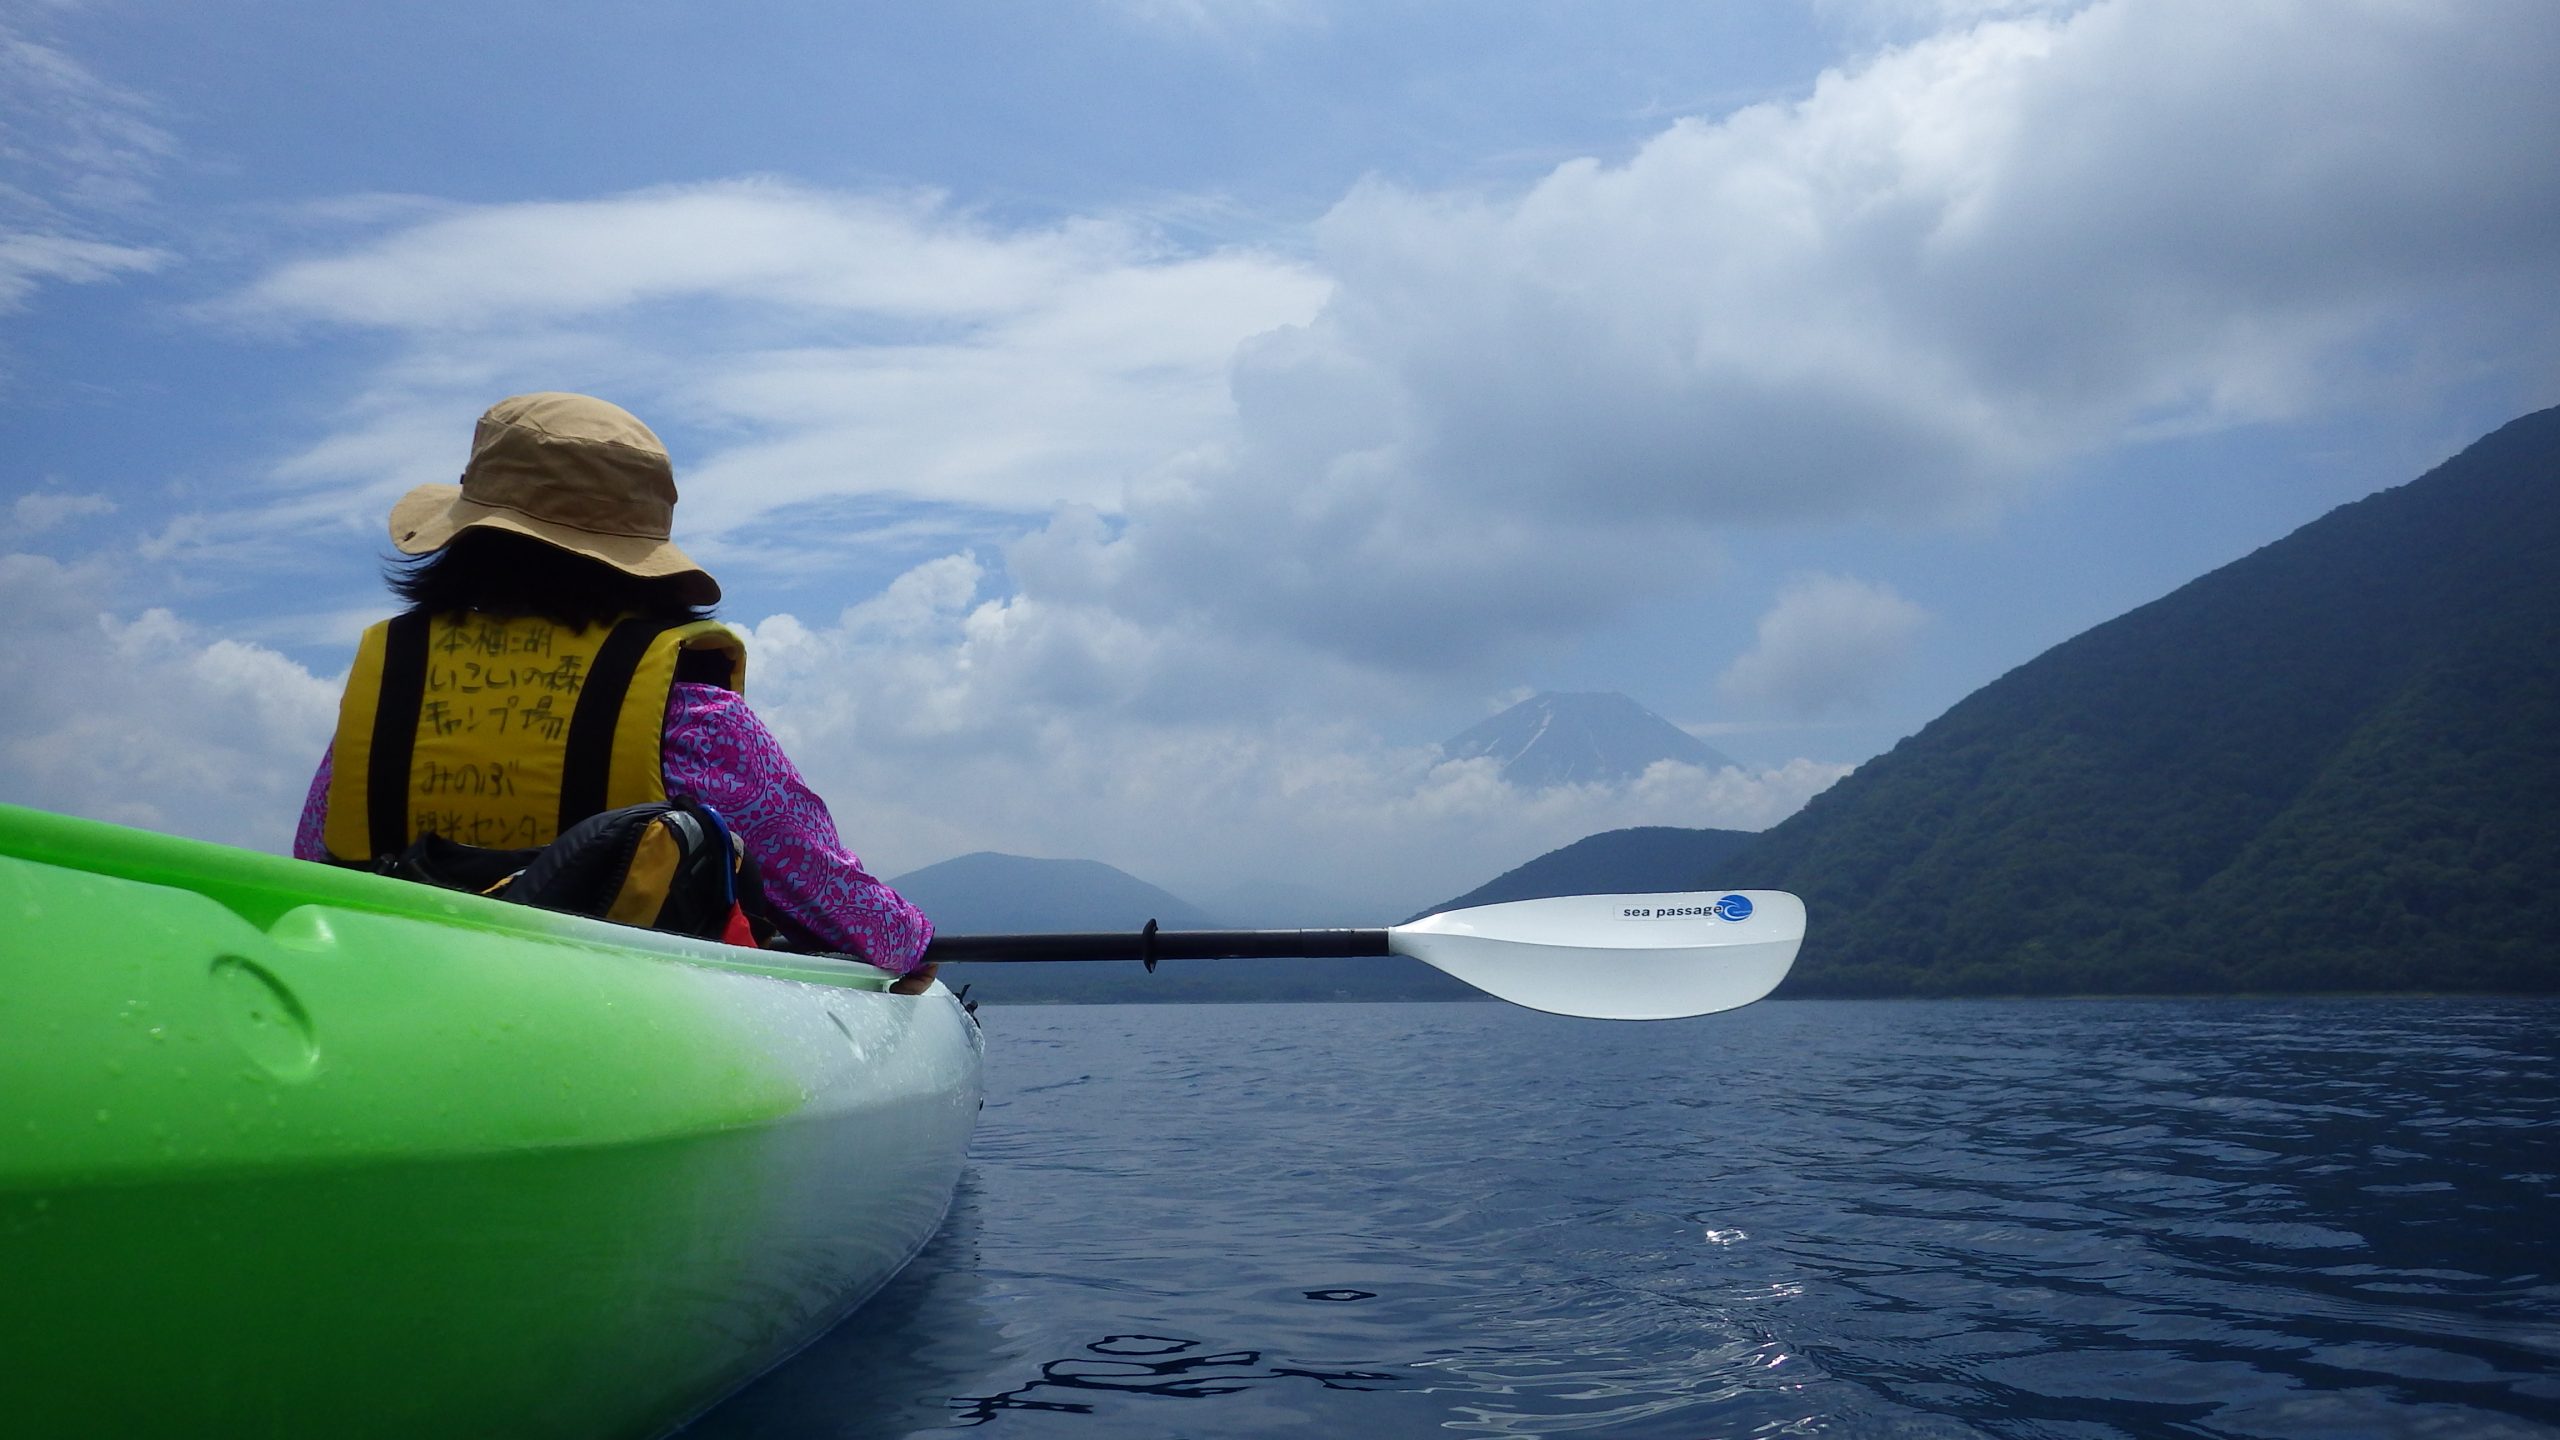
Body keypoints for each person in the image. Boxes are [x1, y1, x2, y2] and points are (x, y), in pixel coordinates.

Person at [293, 391, 938, 992]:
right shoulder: (692, 716)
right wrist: (912, 944)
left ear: (463, 544)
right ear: (642, 563)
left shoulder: (396, 696)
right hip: (613, 1015)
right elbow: (832, 899)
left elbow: (313, 856)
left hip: (389, 987)